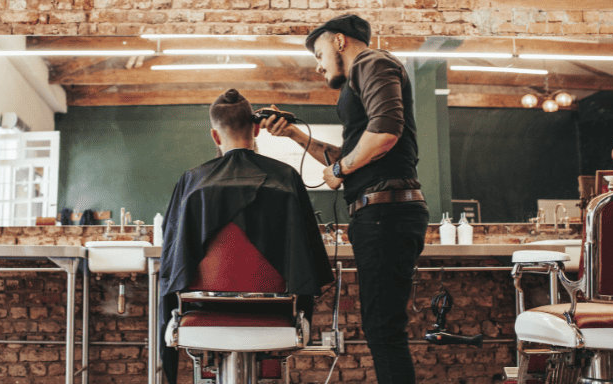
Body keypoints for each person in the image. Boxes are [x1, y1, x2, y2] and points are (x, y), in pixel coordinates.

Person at [259, 14, 429, 384]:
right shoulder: (359, 82)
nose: (318, 66)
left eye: (319, 53)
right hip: (381, 212)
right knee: (382, 328)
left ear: (339, 41)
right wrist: (292, 134)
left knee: (384, 330)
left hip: (387, 211)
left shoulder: (373, 62)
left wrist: (338, 173)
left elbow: (385, 133)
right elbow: (355, 155)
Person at [159, 89, 335, 384]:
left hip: (203, 308)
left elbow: (172, 257)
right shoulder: (286, 177)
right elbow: (306, 255)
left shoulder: (192, 181)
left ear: (215, 136)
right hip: (277, 308)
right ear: (256, 129)